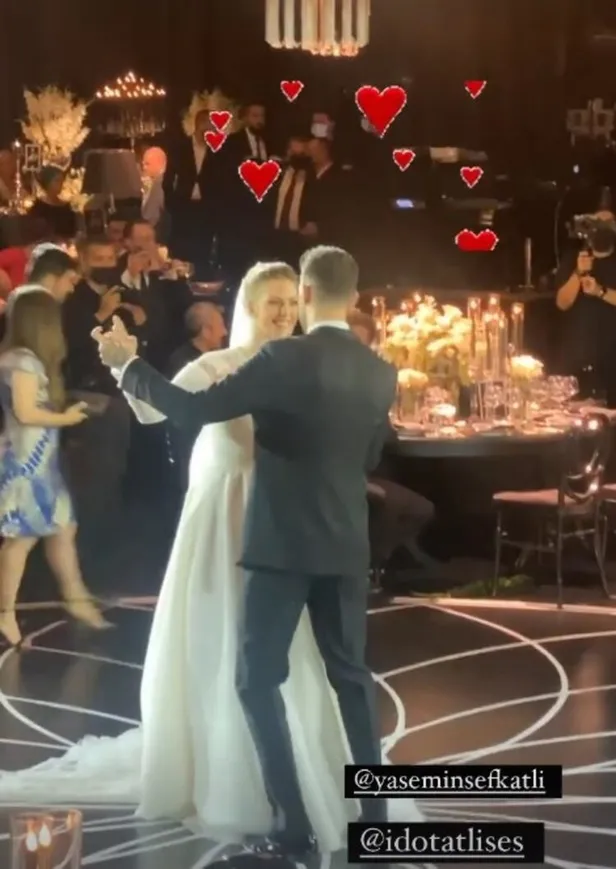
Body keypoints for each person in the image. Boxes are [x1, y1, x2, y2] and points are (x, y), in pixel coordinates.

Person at [0, 254, 422, 852]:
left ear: (306, 296)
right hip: (300, 531)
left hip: (277, 535)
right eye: (271, 302)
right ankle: (369, 818)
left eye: (289, 301)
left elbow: (193, 411)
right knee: (342, 675)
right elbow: (370, 454)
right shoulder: (375, 368)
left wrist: (127, 365)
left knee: (260, 676)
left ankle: (293, 824)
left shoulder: (285, 360)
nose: (282, 312)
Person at [0, 291, 109, 646]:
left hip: (40, 462)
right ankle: (4, 614)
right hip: (26, 464)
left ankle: (75, 598)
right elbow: (25, 412)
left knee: (63, 528)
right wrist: (66, 418)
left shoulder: (24, 359)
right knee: (20, 540)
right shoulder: (22, 361)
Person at [555, 209, 616, 404]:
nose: (602, 228)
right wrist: (578, 273)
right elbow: (562, 303)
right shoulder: (574, 258)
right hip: (577, 357)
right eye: (597, 223)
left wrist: (600, 291)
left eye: (608, 223)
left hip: (611, 359)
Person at [28, 165, 77, 241]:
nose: (60, 184)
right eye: (57, 181)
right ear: (48, 182)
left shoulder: (66, 206)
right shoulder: (39, 208)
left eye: (62, 181)